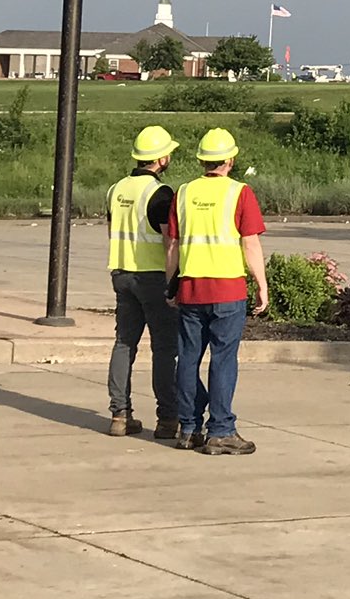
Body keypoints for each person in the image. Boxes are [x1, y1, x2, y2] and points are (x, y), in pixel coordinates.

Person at [164, 127, 269, 454]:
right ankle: (221, 430)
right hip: (227, 290)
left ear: (201, 160)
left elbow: (172, 246)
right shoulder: (240, 192)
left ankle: (189, 427)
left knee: (188, 359)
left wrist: (171, 284)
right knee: (223, 360)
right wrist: (262, 285)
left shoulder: (183, 193)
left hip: (192, 289)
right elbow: (250, 243)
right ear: (231, 160)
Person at [107, 125, 184, 439]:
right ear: (162, 158)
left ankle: (119, 415)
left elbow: (111, 231)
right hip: (152, 277)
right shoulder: (160, 194)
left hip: (121, 274)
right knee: (164, 349)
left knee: (125, 343)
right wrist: (172, 284)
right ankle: (167, 419)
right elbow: (169, 242)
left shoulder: (116, 189)